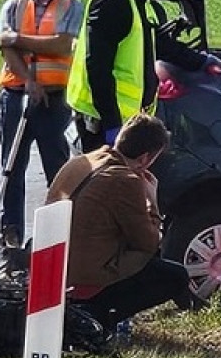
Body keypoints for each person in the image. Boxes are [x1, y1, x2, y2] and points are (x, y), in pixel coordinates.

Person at [67, 0, 221, 153]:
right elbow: (98, 68)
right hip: (104, 123)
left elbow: (152, 40)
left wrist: (197, 61)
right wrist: (112, 125)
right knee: (106, 188)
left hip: (127, 121)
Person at [46, 113, 194, 331]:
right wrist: (152, 201)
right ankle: (98, 315)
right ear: (145, 159)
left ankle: (189, 307)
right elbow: (149, 243)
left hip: (53, 269)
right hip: (83, 281)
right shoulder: (126, 181)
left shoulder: (80, 162)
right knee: (175, 276)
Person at [0, 0, 83, 247]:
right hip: (17, 95)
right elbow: (3, 47)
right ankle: (11, 233)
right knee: (12, 167)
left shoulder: (71, 7)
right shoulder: (14, 6)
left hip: (54, 100)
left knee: (57, 170)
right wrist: (29, 81)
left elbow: (63, 44)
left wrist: (18, 39)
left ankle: (56, 236)